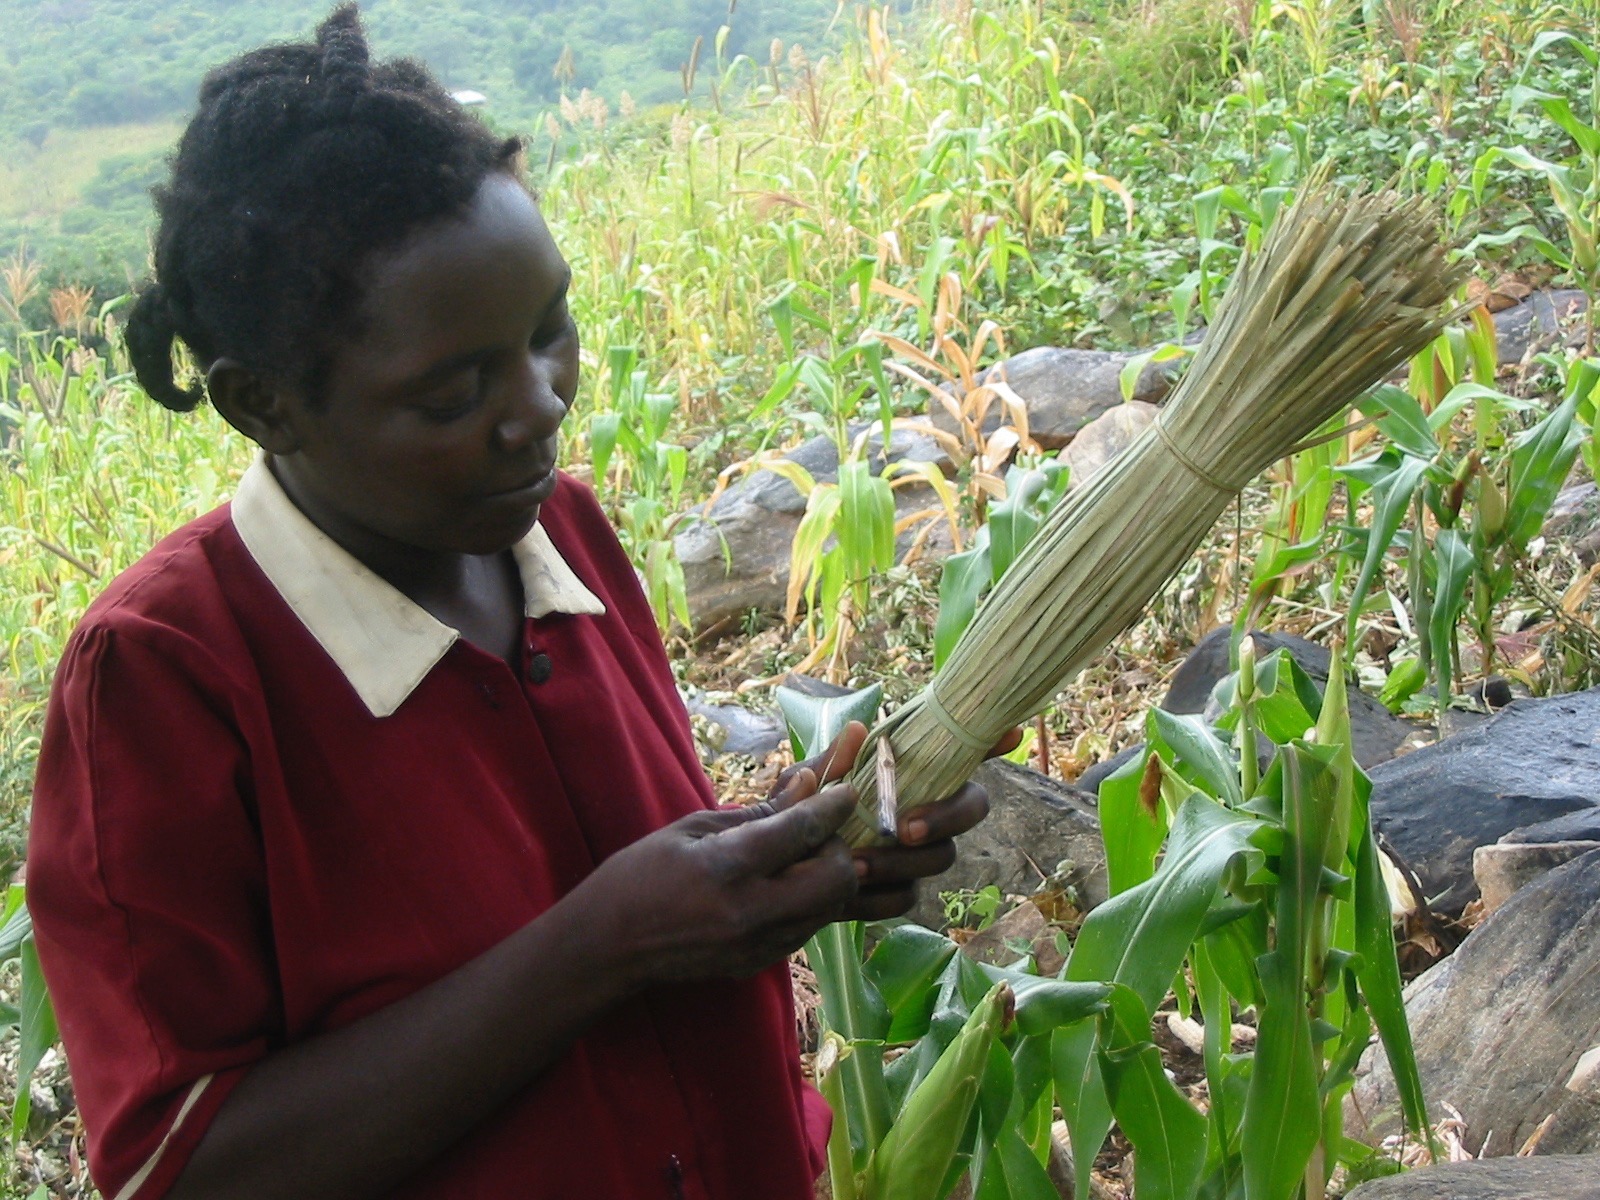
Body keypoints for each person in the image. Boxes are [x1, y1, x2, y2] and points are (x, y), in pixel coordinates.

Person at [25, 8, 1004, 1199]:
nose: (539, 407)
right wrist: (599, 951)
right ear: (263, 406)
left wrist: (795, 866)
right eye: (451, 393)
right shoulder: (167, 676)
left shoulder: (561, 534)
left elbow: (620, 885)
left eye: (550, 333)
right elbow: (176, 1168)